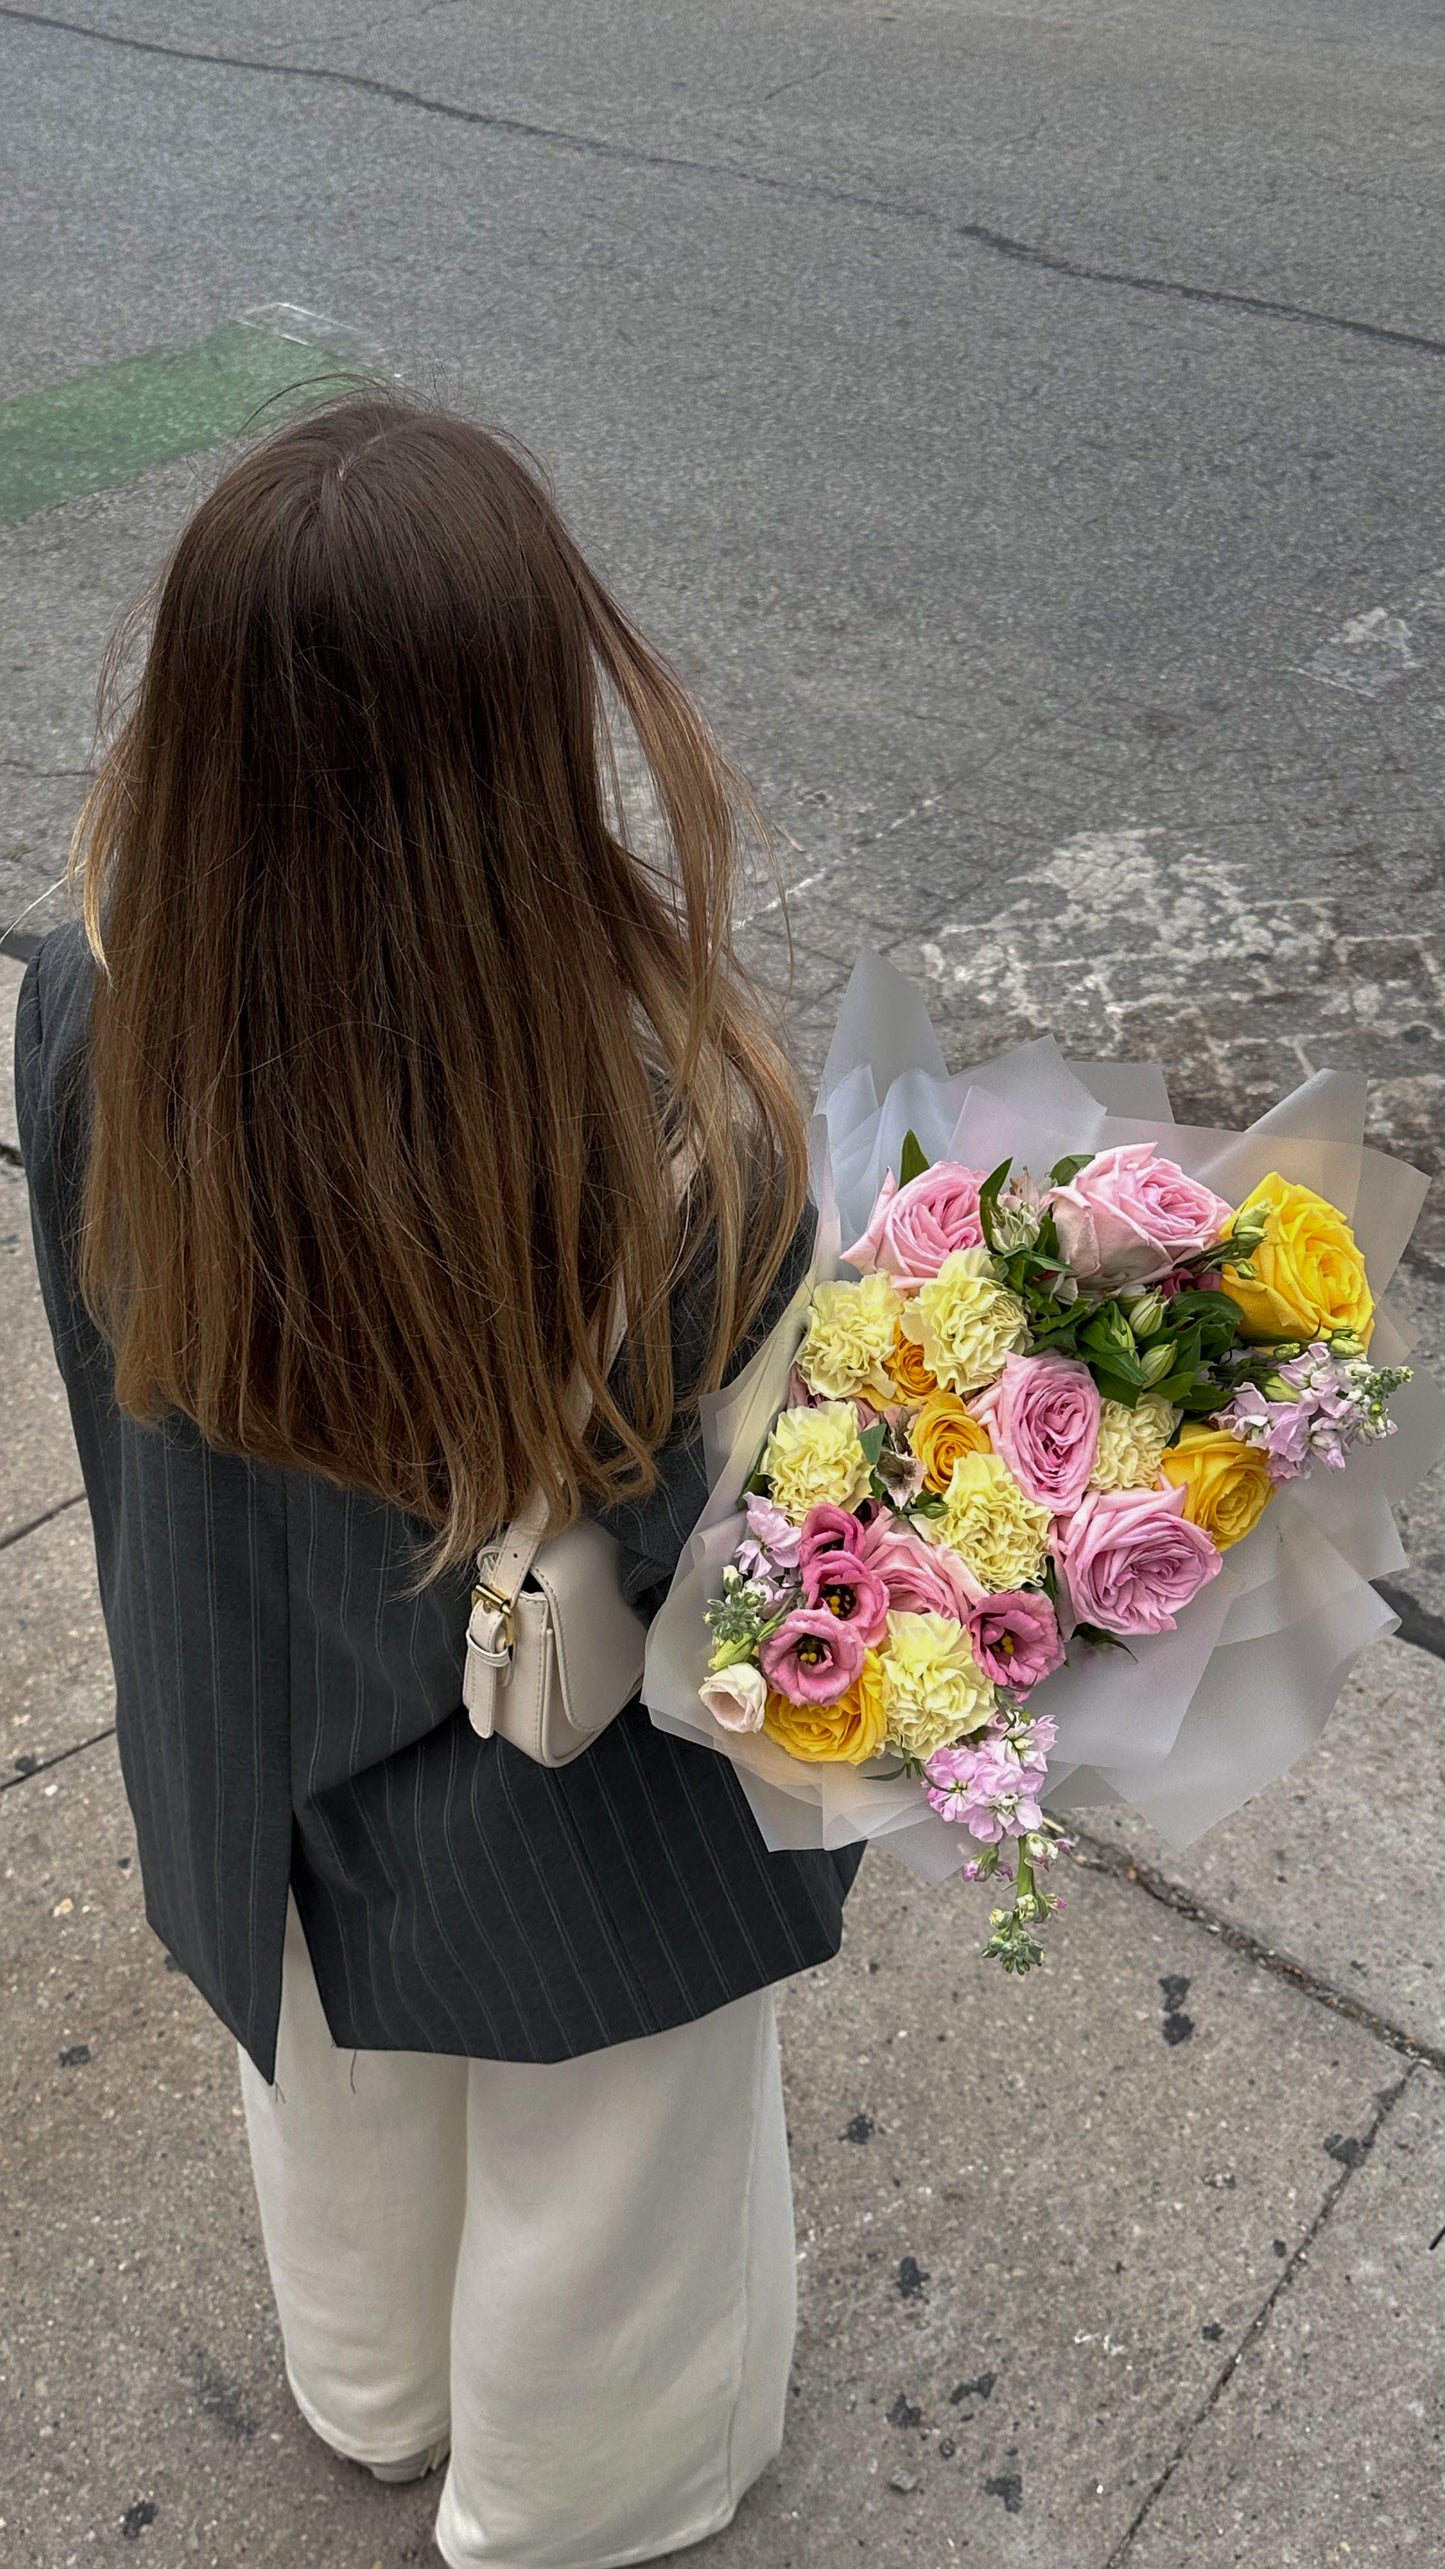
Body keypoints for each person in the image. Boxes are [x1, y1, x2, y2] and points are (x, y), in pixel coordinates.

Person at [14, 394, 861, 2569]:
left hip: (242, 1704)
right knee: (608, 2164)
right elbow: (733, 1517)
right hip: (561, 1787)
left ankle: (370, 2391)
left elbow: (112, 1366)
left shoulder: (93, 988)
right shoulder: (678, 1119)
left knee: (331, 2084)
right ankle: (576, 2493)